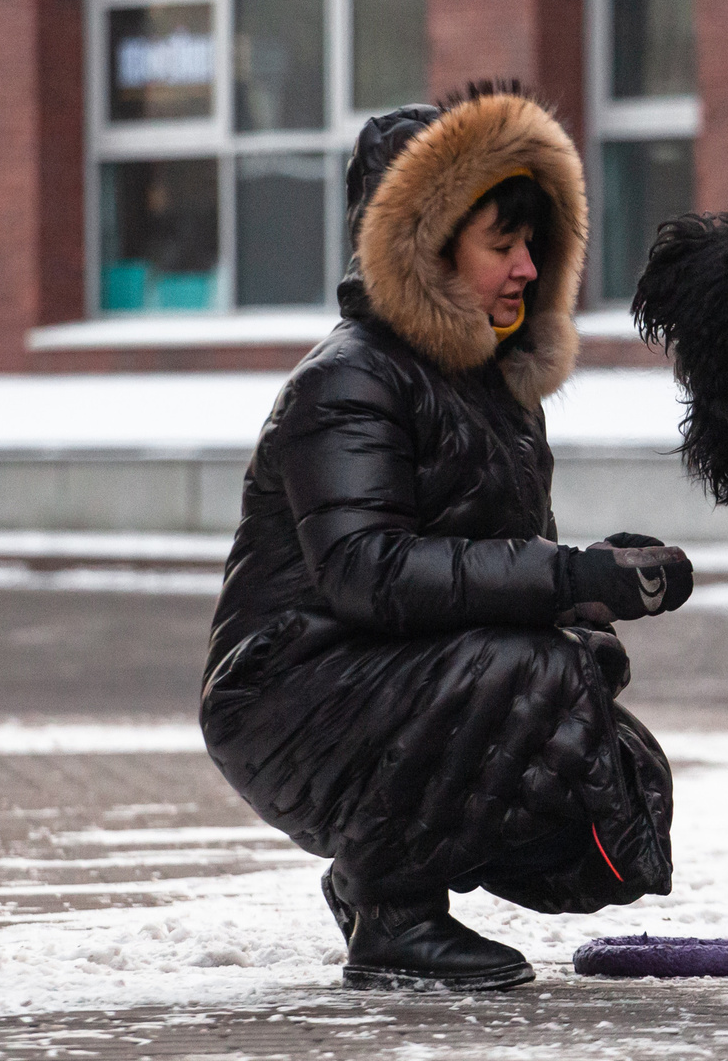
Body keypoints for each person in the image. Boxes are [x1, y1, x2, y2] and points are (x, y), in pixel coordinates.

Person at [202, 88, 696, 992]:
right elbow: (368, 570)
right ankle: (396, 916)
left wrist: (596, 589)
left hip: (404, 678)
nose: (526, 269)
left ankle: (368, 876)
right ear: (425, 250)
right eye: (500, 245)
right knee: (538, 678)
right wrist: (561, 583)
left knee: (619, 797)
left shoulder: (497, 390)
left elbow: (501, 574)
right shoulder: (347, 382)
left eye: (532, 244)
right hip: (289, 689)